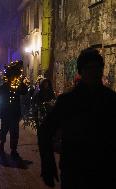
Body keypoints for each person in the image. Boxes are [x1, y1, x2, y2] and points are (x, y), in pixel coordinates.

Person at [38, 48, 116, 189]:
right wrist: (48, 164)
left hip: (105, 170)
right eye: (89, 68)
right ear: (81, 71)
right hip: (75, 170)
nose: (93, 72)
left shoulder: (111, 99)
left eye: (97, 68)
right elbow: (45, 131)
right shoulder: (68, 101)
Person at [0, 60, 28, 160]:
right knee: (4, 130)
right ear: (8, 77)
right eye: (12, 76)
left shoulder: (18, 86)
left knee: (14, 132)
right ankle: (2, 143)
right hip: (5, 112)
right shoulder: (2, 88)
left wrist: (21, 81)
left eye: (15, 76)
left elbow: (25, 91)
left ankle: (13, 149)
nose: (14, 78)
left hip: (14, 113)